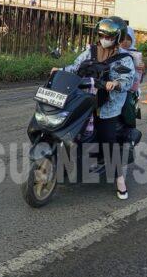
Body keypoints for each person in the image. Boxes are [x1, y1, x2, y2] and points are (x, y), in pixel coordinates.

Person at [51, 16, 136, 200]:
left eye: (109, 35)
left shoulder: (124, 58)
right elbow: (75, 67)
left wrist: (115, 83)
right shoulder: (90, 51)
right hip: (83, 100)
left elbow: (127, 79)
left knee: (108, 139)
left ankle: (119, 180)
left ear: (118, 37)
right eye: (102, 34)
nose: (104, 38)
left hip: (107, 105)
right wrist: (61, 70)